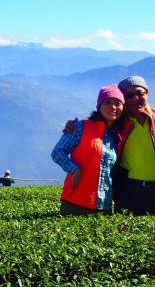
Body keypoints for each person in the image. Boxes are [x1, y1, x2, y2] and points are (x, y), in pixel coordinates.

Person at [63, 75, 155, 216]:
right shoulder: (117, 123)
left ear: (147, 93)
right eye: (129, 95)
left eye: (140, 93)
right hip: (128, 192)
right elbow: (94, 126)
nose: (135, 98)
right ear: (124, 100)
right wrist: (73, 127)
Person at [52, 84, 125, 216]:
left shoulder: (118, 135)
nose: (113, 107)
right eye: (107, 102)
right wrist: (74, 169)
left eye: (117, 103)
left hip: (105, 206)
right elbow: (57, 152)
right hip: (75, 203)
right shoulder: (80, 127)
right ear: (99, 106)